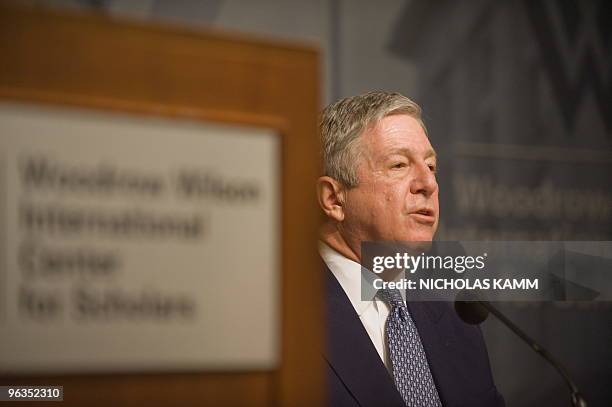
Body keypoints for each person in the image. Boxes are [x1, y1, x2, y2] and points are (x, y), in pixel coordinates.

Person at [316, 91, 504, 406]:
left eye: (431, 166)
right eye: (400, 165)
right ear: (334, 199)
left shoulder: (457, 321)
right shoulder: (281, 319)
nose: (428, 183)